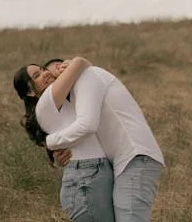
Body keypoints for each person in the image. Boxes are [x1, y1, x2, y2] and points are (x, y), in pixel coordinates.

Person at [43, 57, 165, 222]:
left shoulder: (88, 78)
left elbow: (87, 126)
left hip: (135, 157)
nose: (57, 86)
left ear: (64, 66)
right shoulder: (75, 99)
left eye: (55, 76)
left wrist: (49, 142)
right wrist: (60, 158)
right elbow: (83, 141)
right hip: (122, 163)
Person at [13, 58, 115, 221]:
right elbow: (80, 62)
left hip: (92, 174)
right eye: (37, 75)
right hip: (86, 178)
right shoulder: (49, 98)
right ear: (30, 92)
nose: (45, 73)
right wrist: (70, 64)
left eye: (42, 69)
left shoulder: (61, 101)